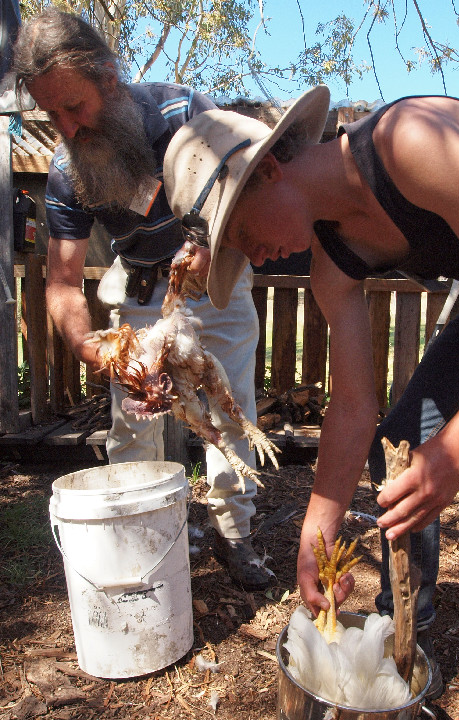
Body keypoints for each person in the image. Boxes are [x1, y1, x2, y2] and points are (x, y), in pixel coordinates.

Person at [162, 85, 459, 719]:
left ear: (271, 171)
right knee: (399, 436)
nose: (248, 256)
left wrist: (455, 451)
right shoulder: (331, 263)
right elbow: (353, 405)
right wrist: (318, 529)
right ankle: (402, 639)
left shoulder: (410, 141)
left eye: (238, 231)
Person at [12, 7, 273, 591]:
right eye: (50, 113)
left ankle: (236, 534)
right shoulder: (64, 170)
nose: (66, 128)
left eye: (73, 107)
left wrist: (209, 240)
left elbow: (250, 189)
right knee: (133, 424)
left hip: (217, 281)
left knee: (229, 412)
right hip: (140, 291)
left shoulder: (187, 112)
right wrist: (92, 347)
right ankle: (145, 530)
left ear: (109, 77)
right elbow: (61, 279)